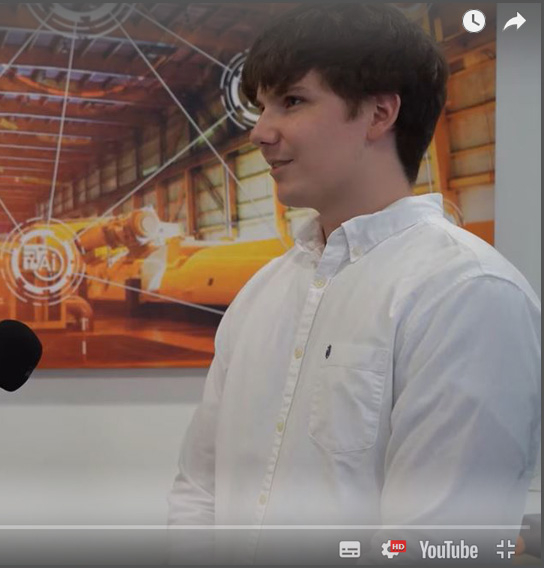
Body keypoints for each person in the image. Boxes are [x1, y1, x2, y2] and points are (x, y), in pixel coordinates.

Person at [167, 4, 540, 564]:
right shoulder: (262, 293)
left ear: (379, 113)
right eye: (263, 107)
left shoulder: (466, 295)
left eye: (292, 101)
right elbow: (199, 492)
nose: (260, 132)